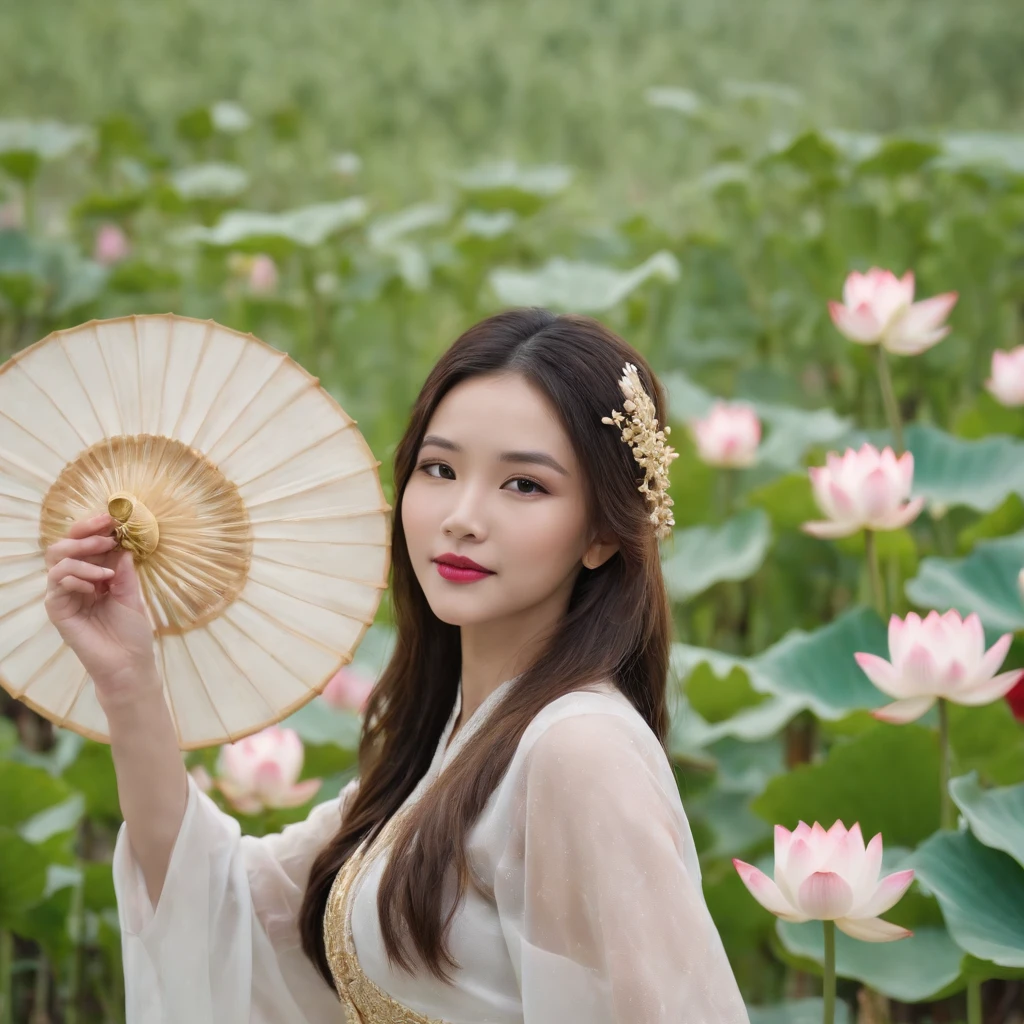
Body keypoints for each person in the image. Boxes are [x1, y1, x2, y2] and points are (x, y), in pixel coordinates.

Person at [43, 307, 751, 1023]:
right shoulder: (456, 739)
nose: (462, 516)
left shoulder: (578, 752)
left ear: (602, 532)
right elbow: (227, 917)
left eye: (524, 485)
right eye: (439, 469)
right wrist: (128, 682)